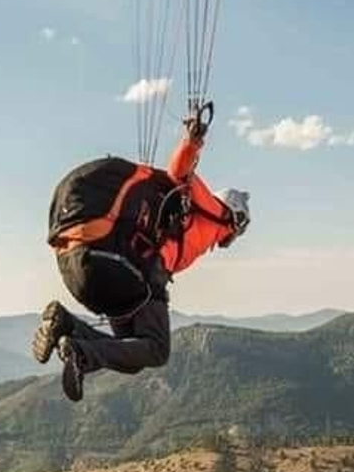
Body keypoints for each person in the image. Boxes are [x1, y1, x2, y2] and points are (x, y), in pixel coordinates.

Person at [32, 106, 250, 402]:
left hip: (85, 264)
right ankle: (82, 351)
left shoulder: (193, 218)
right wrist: (193, 141)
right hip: (129, 270)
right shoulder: (216, 213)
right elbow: (180, 172)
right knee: (157, 349)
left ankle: (67, 327)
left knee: (131, 351)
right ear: (237, 219)